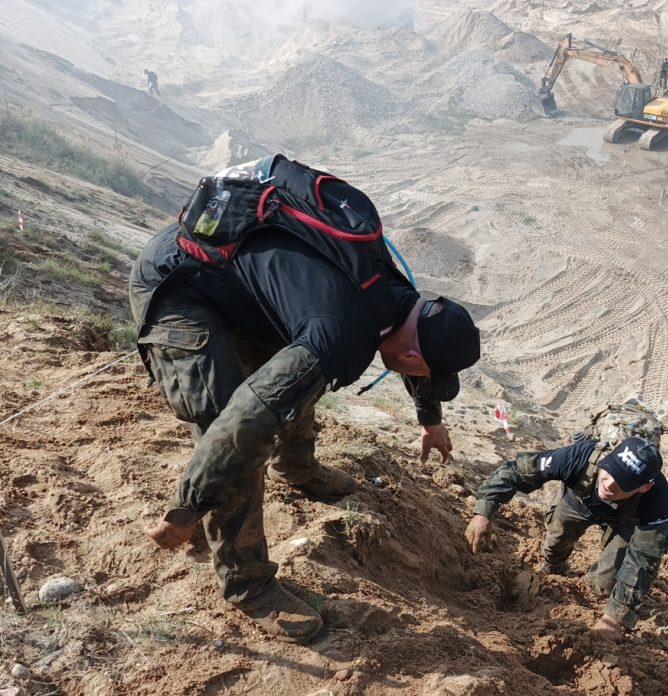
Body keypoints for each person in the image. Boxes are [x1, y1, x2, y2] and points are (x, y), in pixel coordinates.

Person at [129, 159, 481, 642]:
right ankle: (247, 585)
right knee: (233, 418)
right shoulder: (342, 330)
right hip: (180, 286)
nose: (421, 376)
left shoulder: (397, 291)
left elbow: (413, 350)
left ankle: (296, 467)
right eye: (426, 374)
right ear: (417, 353)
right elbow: (242, 424)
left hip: (245, 287)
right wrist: (184, 509)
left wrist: (429, 418)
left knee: (297, 377)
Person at [465, 436, 668, 643]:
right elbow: (518, 471)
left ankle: (597, 580)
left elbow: (643, 561)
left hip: (626, 522)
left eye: (623, 483)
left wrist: (614, 617)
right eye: (610, 470)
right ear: (608, 456)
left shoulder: (658, 502)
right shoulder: (578, 457)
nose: (609, 483)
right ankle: (553, 564)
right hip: (579, 502)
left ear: (644, 487)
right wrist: (483, 511)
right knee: (556, 542)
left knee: (605, 584)